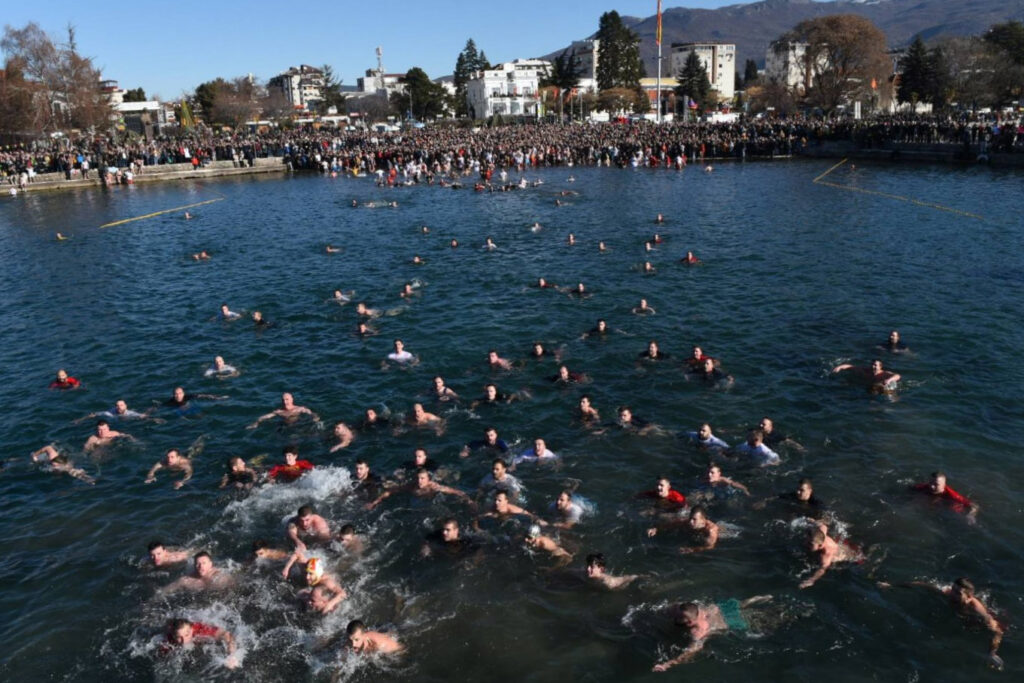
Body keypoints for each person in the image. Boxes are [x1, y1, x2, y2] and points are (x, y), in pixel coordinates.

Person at [877, 577, 1004, 669]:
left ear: (969, 597)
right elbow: (920, 585)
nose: (952, 594)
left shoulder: (976, 609)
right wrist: (891, 585)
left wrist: (992, 652)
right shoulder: (947, 593)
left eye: (957, 593)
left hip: (974, 620)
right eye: (953, 589)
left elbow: (997, 630)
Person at [652, 597, 772, 671]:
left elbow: (690, 652)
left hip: (729, 622)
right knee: (739, 605)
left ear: (690, 623)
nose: (675, 618)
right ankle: (759, 598)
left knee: (760, 619)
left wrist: (667, 664)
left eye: (679, 619)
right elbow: (671, 609)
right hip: (721, 609)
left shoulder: (698, 631)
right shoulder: (690, 608)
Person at [366, 468, 472, 510]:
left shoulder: (433, 487)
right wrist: (374, 502)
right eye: (418, 478)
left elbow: (455, 491)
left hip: (430, 504)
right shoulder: (412, 485)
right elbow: (390, 491)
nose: (420, 481)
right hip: (415, 502)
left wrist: (469, 500)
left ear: (428, 479)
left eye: (422, 478)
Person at [800, 521, 862, 588]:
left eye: (810, 544)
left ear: (820, 545)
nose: (805, 543)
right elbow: (823, 525)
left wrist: (811, 580)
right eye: (807, 540)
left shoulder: (826, 554)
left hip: (852, 555)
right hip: (840, 544)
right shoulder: (819, 534)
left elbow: (822, 569)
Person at [163, 618, 239, 669]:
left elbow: (226, 635)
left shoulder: (200, 631)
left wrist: (232, 655)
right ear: (173, 636)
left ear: (191, 629)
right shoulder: (169, 641)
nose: (184, 640)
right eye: (179, 637)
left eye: (187, 635)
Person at [912, 471, 978, 519]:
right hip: (934, 500)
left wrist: (970, 516)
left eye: (936, 484)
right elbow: (912, 488)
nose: (932, 486)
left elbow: (974, 506)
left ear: (944, 485)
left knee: (956, 509)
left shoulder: (952, 495)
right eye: (930, 482)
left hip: (947, 505)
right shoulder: (925, 487)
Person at [162, 551, 233, 593]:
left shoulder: (219, 576)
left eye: (204, 563)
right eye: (198, 564)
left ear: (210, 564)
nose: (200, 566)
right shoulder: (186, 580)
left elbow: (233, 588)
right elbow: (165, 591)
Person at [247, 392, 320, 429]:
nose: (285, 402)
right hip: (284, 426)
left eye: (287, 399)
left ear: (292, 399)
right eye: (283, 400)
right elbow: (265, 417)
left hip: (298, 425)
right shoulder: (279, 411)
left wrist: (315, 418)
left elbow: (311, 413)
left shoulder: (299, 409)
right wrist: (256, 423)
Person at [30, 445, 96, 483]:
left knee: (71, 470)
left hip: (64, 465)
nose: (54, 465)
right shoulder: (53, 456)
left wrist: (88, 480)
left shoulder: (59, 466)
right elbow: (48, 447)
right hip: (62, 460)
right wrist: (35, 455)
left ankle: (89, 479)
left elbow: (75, 472)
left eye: (54, 464)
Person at [478, 490, 544, 526]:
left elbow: (529, 515)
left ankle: (516, 493)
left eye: (499, 500)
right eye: (495, 500)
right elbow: (477, 518)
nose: (496, 502)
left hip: (510, 513)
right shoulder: (492, 509)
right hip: (500, 515)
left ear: (506, 501)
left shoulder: (513, 510)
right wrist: (477, 530)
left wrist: (543, 523)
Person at [832, 359, 900, 390]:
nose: (873, 366)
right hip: (867, 387)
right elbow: (850, 367)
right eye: (873, 365)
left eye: (876, 365)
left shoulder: (885, 373)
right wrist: (839, 367)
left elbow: (897, 376)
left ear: (880, 366)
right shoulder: (866, 370)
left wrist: (889, 380)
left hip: (880, 388)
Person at [74, 399, 157, 424]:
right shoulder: (110, 413)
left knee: (144, 414)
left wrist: (154, 420)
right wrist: (80, 420)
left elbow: (143, 417)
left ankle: (152, 408)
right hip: (117, 421)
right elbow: (93, 414)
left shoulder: (130, 413)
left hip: (127, 420)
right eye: (117, 405)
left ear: (125, 406)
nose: (119, 407)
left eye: (121, 405)